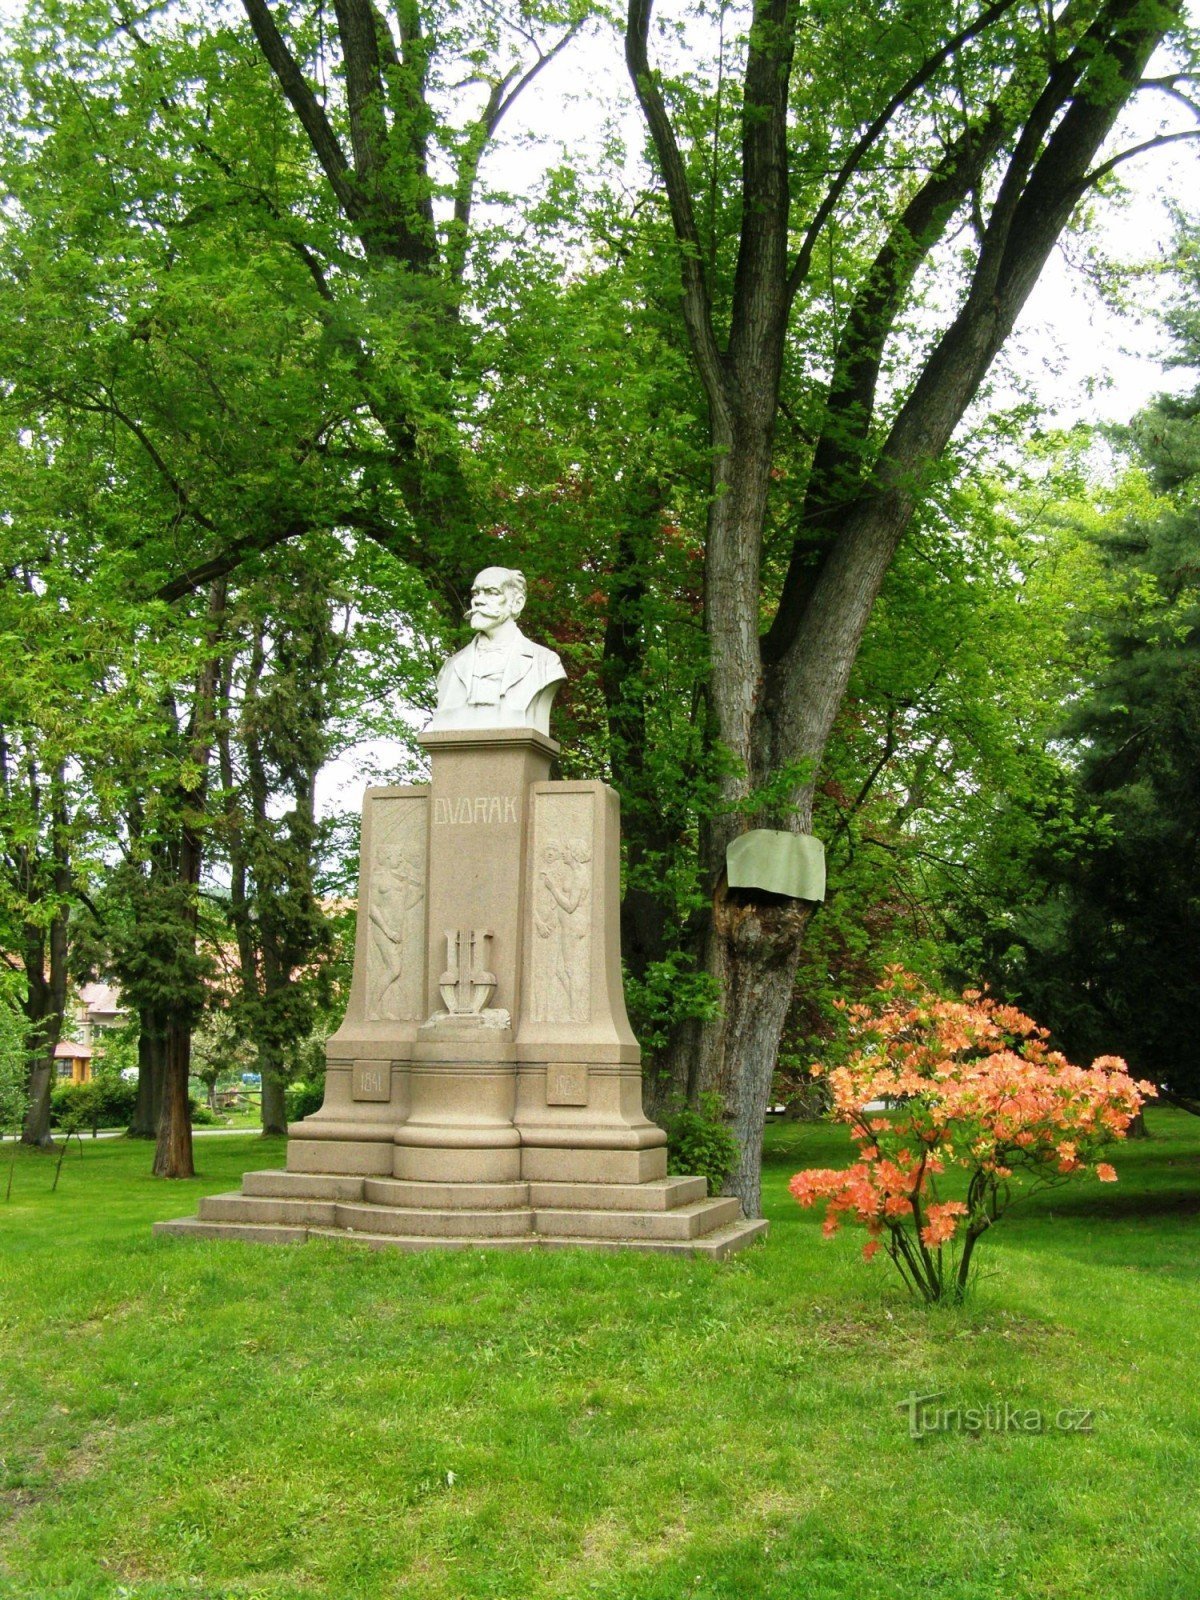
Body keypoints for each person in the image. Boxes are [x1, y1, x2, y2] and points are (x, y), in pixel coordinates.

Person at [428, 566, 566, 734]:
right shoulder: (450, 667)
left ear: (517, 603)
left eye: (491, 592)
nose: (478, 601)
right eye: (475, 594)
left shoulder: (545, 664)